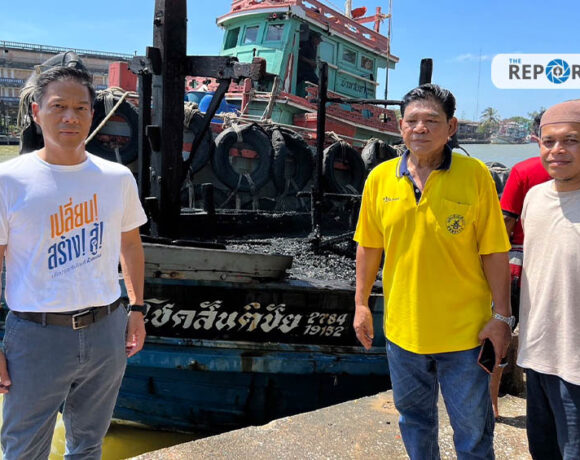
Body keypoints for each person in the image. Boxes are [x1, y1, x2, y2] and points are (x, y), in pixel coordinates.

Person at [353, 83, 513, 459]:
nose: (420, 128)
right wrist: (361, 304)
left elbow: (494, 251)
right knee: (414, 422)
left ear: (451, 127)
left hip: (466, 336)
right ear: (400, 126)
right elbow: (369, 246)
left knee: (472, 432)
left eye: (431, 120)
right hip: (403, 333)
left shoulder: (475, 175)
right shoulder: (380, 179)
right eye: (412, 121)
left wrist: (502, 318)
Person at [0, 66, 148, 459]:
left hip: (106, 330)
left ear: (92, 114)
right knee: (23, 449)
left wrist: (136, 309)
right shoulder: (8, 180)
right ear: (36, 112)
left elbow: (130, 244)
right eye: (58, 106)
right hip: (36, 335)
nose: (70, 117)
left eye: (80, 108)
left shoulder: (117, 178)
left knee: (88, 445)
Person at [517, 99, 580, 459]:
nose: (557, 150)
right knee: (542, 451)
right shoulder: (534, 198)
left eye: (571, 140)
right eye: (549, 141)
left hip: (576, 366)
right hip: (537, 355)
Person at [489, 112, 550, 418]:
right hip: (556, 264)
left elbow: (506, 223)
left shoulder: (524, 170)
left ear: (534, 138)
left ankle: (491, 403)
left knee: (500, 328)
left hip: (518, 261)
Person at [297, 31, 322, 97]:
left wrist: (314, 64)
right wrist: (310, 62)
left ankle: (308, 96)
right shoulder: (306, 45)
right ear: (314, 38)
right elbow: (299, 56)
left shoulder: (314, 47)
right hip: (303, 69)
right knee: (318, 82)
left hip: (308, 70)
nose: (319, 42)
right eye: (318, 40)